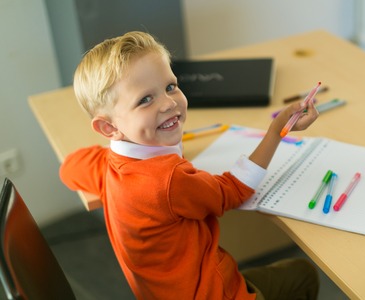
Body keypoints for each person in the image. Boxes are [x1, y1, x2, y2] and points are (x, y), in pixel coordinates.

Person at [60, 31, 320, 300]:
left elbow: (69, 168)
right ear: (108, 126)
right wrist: (278, 128)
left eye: (170, 86)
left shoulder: (107, 166)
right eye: (145, 100)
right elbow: (233, 190)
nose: (169, 103)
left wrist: (132, 134)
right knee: (303, 275)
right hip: (217, 294)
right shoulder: (169, 180)